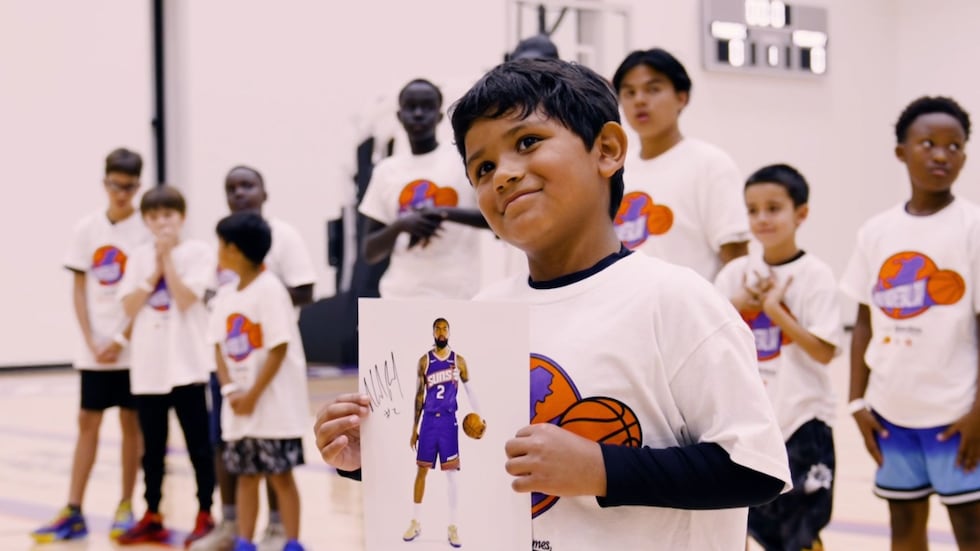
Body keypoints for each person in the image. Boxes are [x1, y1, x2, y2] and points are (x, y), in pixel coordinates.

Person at [315, 58, 790, 549]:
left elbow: (755, 469)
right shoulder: (485, 311)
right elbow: (479, 458)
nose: (503, 175)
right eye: (483, 168)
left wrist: (601, 469)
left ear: (607, 149)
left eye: (527, 142)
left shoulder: (677, 300)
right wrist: (370, 459)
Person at [840, 96, 980, 550]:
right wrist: (857, 402)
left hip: (957, 414)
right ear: (901, 152)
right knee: (902, 525)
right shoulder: (876, 231)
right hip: (891, 414)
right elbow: (863, 321)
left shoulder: (972, 227)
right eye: (928, 143)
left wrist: (979, 411)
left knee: (971, 527)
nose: (942, 155)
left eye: (954, 146)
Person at [714, 164, 840, 550]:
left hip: (802, 422)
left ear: (801, 214)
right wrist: (738, 304)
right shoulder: (735, 274)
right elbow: (708, 337)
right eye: (753, 210)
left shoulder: (816, 275)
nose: (762, 219)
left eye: (773, 208)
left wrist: (775, 311)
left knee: (799, 535)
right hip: (748, 422)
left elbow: (824, 352)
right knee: (742, 524)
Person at [194, 165, 316, 551]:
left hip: (271, 405)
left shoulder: (270, 290)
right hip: (240, 406)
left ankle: (290, 541)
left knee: (280, 476)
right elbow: (217, 345)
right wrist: (232, 390)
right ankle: (244, 541)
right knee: (246, 476)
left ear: (234, 251)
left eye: (220, 246)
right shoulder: (225, 295)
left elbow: (279, 347)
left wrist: (254, 394)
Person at [32, 148, 149, 543]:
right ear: (105, 183)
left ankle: (125, 505)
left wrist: (120, 338)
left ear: (138, 186)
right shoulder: (87, 229)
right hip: (94, 349)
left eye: (129, 187)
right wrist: (91, 340)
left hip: (131, 349)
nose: (122, 193)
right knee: (87, 421)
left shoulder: (144, 230)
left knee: (131, 423)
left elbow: (146, 292)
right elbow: (79, 289)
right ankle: (74, 509)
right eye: (116, 185)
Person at [116, 185, 216, 547]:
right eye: (154, 216)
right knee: (152, 449)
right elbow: (128, 307)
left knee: (199, 447)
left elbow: (187, 298)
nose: (162, 223)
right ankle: (153, 513)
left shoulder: (198, 252)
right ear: (145, 220)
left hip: (188, 366)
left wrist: (168, 261)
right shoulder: (138, 257)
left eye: (168, 215)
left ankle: (205, 512)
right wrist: (153, 269)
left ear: (182, 217)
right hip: (149, 369)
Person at [611, 48, 749, 281]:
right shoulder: (615, 170)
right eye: (629, 92)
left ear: (682, 97)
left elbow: (736, 259)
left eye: (653, 89)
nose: (640, 100)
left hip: (693, 304)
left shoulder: (711, 164)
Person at [358, 78, 489, 299]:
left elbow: (494, 221)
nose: (418, 114)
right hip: (399, 296)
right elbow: (370, 251)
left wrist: (443, 212)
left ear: (439, 116)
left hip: (457, 295)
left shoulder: (462, 161)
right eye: (411, 107)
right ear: (399, 116)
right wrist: (401, 225)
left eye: (427, 107)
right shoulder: (386, 171)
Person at [403, 318, 480, 548]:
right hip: (428, 422)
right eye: (438, 328)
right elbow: (419, 396)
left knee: (452, 475)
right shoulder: (424, 361)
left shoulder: (459, 361)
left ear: (449, 332)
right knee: (421, 471)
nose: (441, 332)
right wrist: (414, 428)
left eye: (445, 328)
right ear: (433, 332)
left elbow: (470, 390)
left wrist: (480, 416)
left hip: (448, 422)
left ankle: (453, 527)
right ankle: (415, 522)